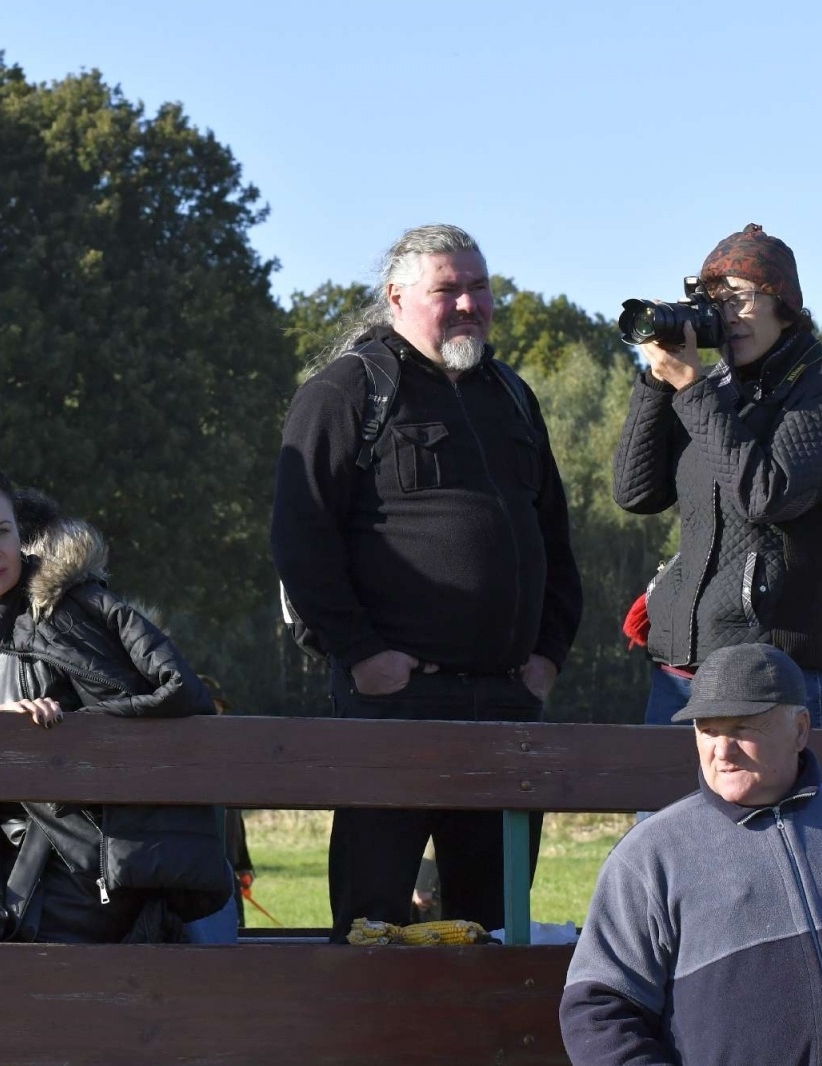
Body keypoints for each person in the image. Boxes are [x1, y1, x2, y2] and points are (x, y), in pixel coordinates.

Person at [271, 223, 583, 938]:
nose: (469, 304)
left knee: (494, 929)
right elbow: (300, 539)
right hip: (396, 703)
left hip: (506, 703)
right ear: (397, 296)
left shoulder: (511, 395)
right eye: (448, 289)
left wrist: (548, 655)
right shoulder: (347, 391)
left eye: (480, 287)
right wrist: (361, 655)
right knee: (373, 927)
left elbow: (555, 541)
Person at [0, 460, 232, 942]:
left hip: (92, 870)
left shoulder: (66, 616)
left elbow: (166, 713)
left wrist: (57, 734)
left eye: (1, 532)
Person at [561, 643, 822, 1065]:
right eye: (708, 730)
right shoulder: (650, 854)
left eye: (743, 728)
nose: (722, 751)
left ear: (800, 729)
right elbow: (597, 1009)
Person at [614, 223, 822, 727]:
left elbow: (767, 495)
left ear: (784, 304)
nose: (726, 316)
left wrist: (691, 390)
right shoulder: (708, 391)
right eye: (715, 302)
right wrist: (658, 382)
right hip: (681, 670)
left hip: (780, 671)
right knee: (662, 788)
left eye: (741, 299)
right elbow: (635, 492)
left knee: (785, 789)